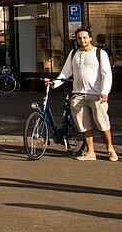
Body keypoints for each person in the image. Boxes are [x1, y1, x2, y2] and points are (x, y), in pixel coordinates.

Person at [47, 27, 117, 161]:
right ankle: (91, 151)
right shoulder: (74, 53)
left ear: (90, 38)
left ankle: (109, 148)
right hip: (78, 94)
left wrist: (104, 92)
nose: (82, 40)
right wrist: (54, 83)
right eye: (79, 38)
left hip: (96, 95)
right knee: (83, 125)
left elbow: (106, 74)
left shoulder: (99, 53)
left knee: (102, 123)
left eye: (85, 37)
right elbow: (66, 72)